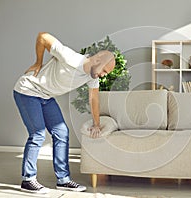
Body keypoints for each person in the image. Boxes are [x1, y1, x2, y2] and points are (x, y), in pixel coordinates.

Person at [13, 32, 115, 194]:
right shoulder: (71, 58)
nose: (103, 75)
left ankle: (63, 180)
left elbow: (94, 99)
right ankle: (28, 179)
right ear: (96, 60)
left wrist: (97, 124)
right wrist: (38, 62)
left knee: (62, 133)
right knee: (37, 134)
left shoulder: (92, 76)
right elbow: (43, 37)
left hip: (45, 96)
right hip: (27, 91)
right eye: (104, 71)